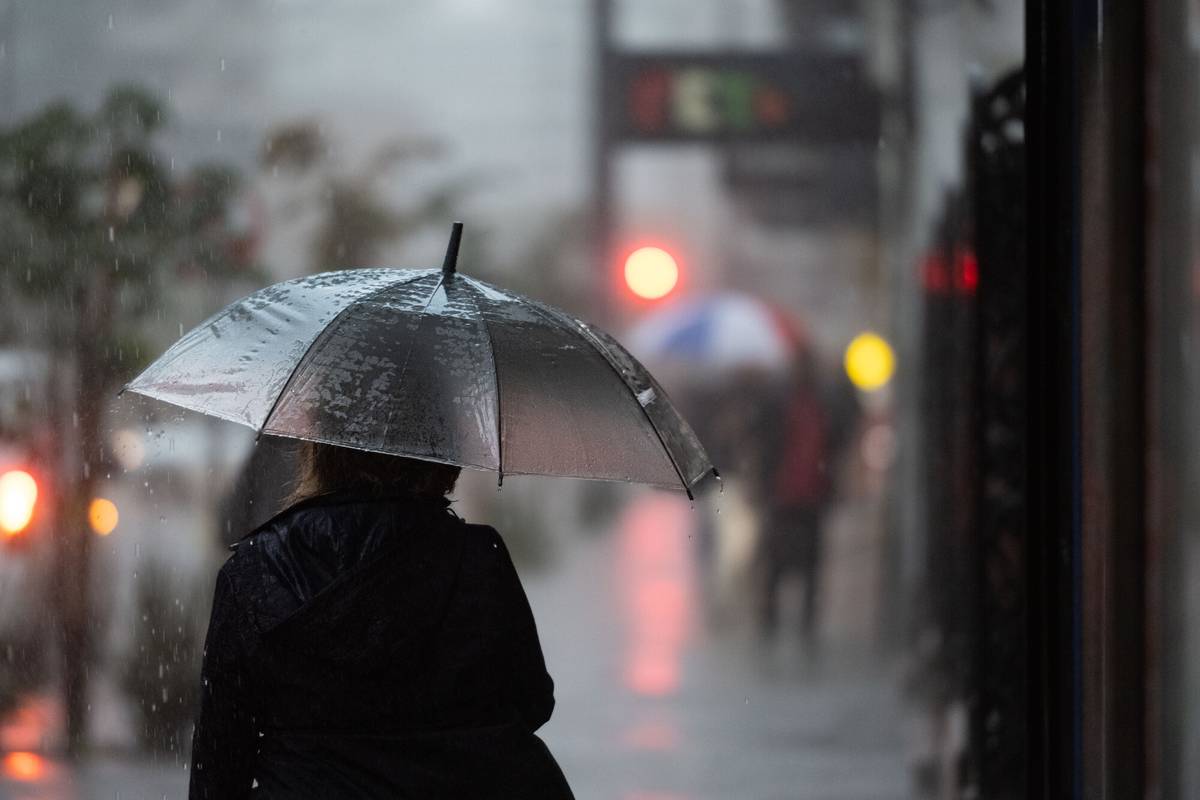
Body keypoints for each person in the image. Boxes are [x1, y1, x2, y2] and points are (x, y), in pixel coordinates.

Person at [189, 441, 574, 799]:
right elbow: (532, 701)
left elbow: (220, 756)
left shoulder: (256, 568)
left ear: (318, 450)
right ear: (438, 450)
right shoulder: (476, 557)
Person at [755, 351, 835, 649]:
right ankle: (771, 619)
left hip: (810, 493)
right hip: (784, 493)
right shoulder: (779, 404)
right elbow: (768, 444)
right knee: (777, 560)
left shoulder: (821, 404)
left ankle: (805, 623)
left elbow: (831, 442)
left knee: (810, 561)